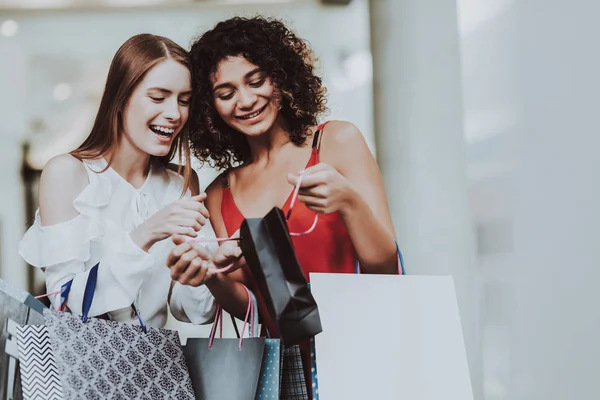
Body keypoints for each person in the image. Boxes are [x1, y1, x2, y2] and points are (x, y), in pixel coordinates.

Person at [167, 16, 402, 395]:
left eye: (256, 80)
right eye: (225, 93)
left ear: (281, 77)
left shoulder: (335, 142)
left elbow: (385, 266)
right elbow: (251, 306)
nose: (245, 100)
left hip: (362, 350)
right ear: (210, 108)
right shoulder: (219, 193)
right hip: (284, 372)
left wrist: (349, 202)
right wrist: (211, 275)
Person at [18, 33, 217, 328]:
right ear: (121, 99)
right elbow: (67, 303)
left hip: (156, 367)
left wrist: (208, 269)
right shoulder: (66, 173)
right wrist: (147, 233)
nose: (174, 113)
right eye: (158, 97)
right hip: (83, 369)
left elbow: (191, 311)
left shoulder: (182, 185)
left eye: (184, 100)